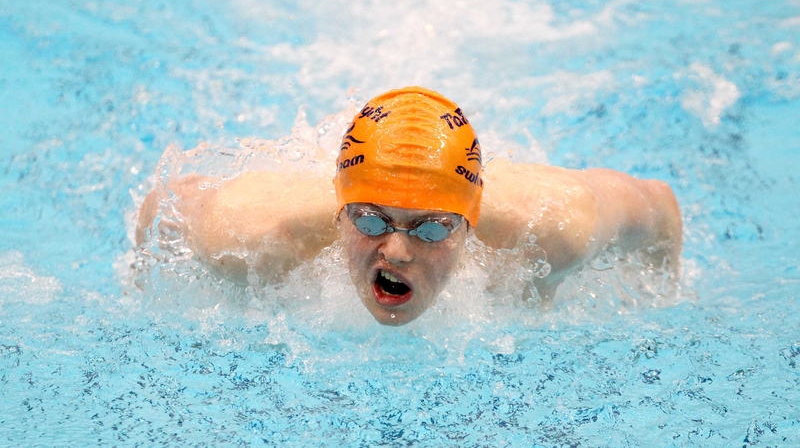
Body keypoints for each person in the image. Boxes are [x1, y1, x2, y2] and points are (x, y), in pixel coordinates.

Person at [136, 86, 682, 326]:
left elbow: (659, 206)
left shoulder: (558, 223)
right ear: (339, 209)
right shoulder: (248, 230)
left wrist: (659, 303)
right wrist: (143, 296)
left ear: (470, 224)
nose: (395, 250)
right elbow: (163, 205)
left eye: (431, 229)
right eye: (370, 219)